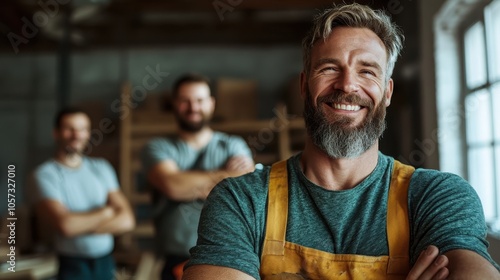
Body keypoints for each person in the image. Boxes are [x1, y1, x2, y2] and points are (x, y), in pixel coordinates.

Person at [182, 3, 500, 280]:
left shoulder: (438, 197)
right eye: (330, 67)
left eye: (367, 71)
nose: (347, 84)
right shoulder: (242, 200)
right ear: (305, 86)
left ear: (387, 93)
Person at [141, 73, 255, 280]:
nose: (193, 107)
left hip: (228, 256)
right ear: (174, 104)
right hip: (175, 258)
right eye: (185, 101)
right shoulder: (157, 147)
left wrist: (190, 183)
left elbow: (245, 188)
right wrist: (228, 177)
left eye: (200, 100)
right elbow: (172, 185)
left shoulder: (233, 145)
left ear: (211, 104)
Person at [31, 107, 135, 280]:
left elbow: (127, 221)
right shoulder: (45, 174)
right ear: (56, 133)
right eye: (69, 129)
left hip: (106, 262)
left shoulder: (102, 168)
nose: (76, 135)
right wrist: (106, 212)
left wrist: (80, 225)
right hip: (72, 264)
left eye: (82, 129)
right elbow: (66, 226)